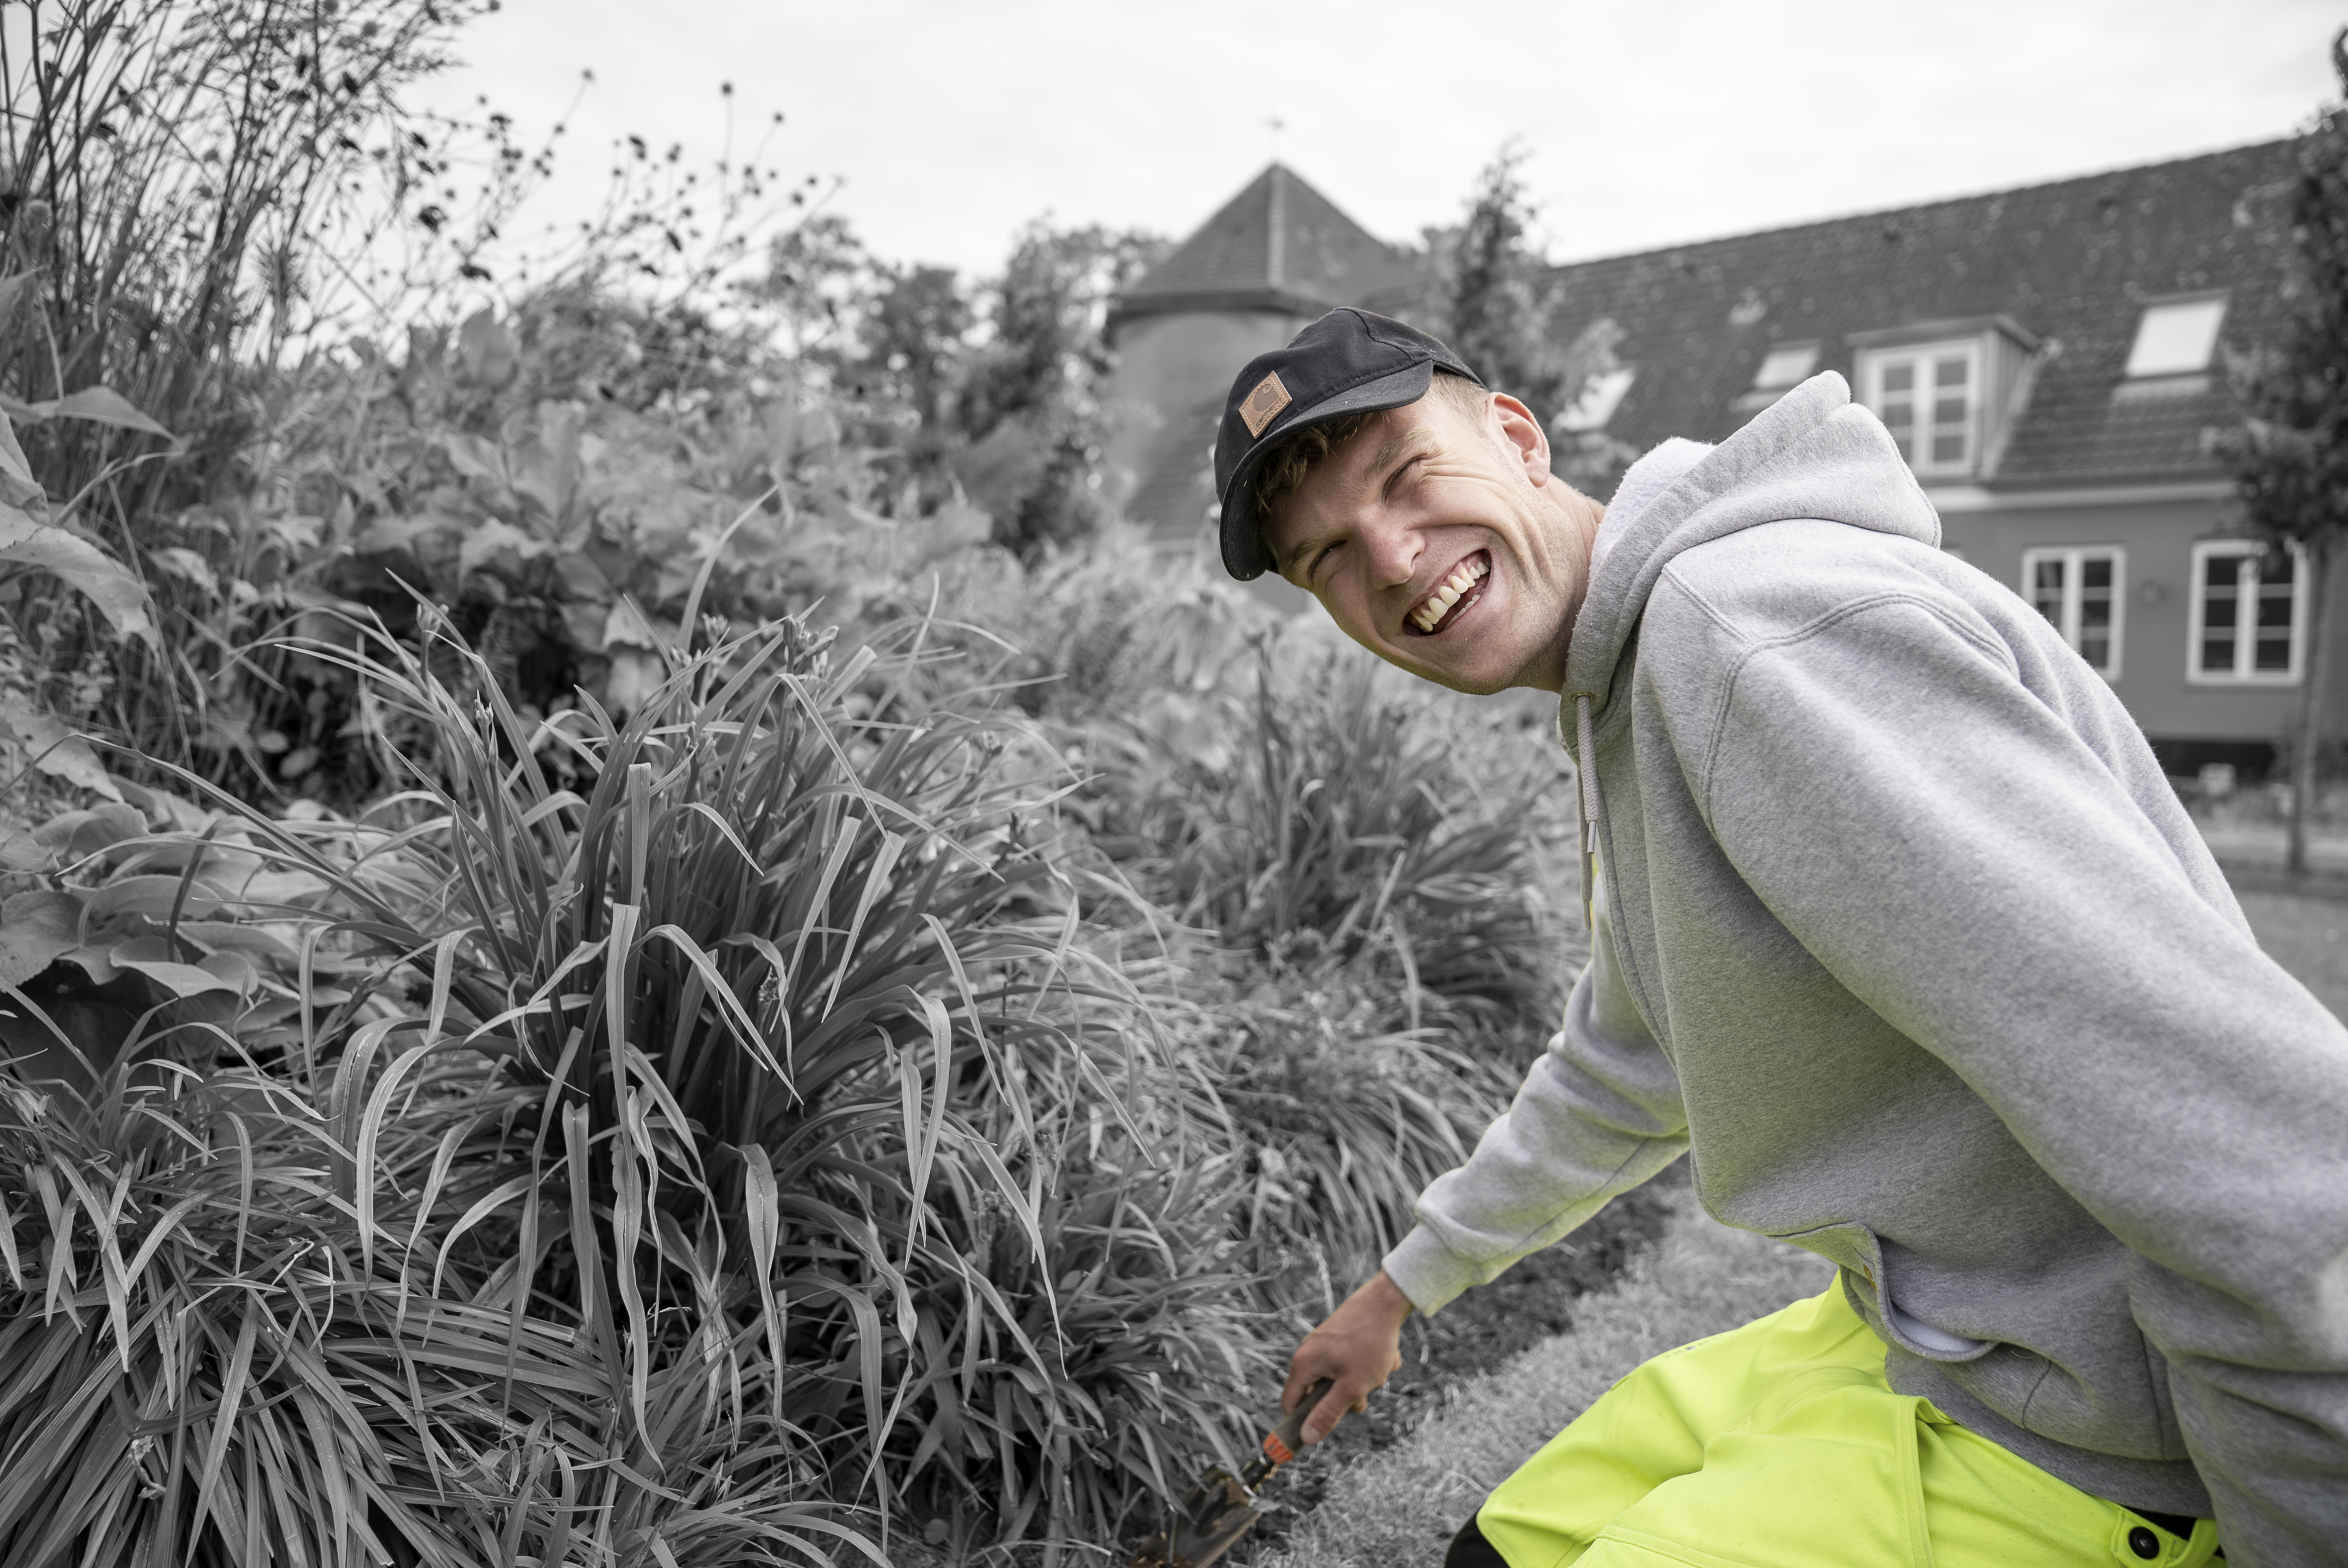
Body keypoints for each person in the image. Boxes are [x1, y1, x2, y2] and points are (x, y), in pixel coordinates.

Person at [1208, 307, 2348, 1567]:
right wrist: (1397, 1293)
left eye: (1406, 475)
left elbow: (2250, 1155)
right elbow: (1630, 1054)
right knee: (1498, 1549)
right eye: (1327, 559)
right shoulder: (1631, 675)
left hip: (2096, 1434)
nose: (1390, 555)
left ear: (1518, 439)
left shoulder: (1747, 644)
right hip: (1928, 1335)